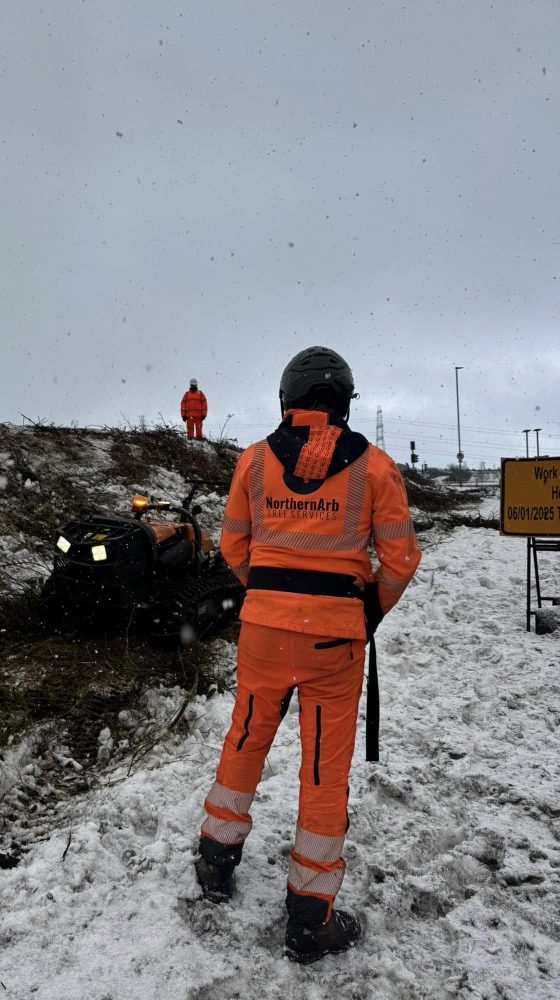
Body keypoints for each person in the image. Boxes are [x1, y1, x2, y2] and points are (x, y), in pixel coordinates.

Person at [195, 346, 421, 965]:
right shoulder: (375, 468)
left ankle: (215, 860)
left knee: (243, 738)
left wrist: (269, 597)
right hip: (334, 642)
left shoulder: (252, 462)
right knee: (323, 769)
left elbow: (234, 545)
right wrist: (365, 610)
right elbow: (400, 560)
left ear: (286, 400)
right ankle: (307, 916)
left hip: (261, 632)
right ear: (345, 402)